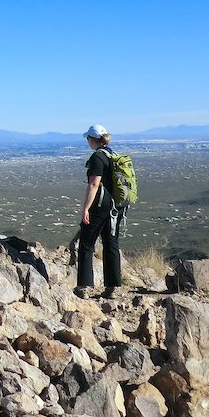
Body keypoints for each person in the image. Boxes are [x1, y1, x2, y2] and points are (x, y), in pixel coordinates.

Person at [76, 124, 122, 299]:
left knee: (87, 244)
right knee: (111, 244)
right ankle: (113, 287)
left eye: (88, 138)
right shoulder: (113, 155)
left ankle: (84, 287)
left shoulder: (97, 158)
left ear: (92, 139)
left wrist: (86, 208)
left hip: (100, 205)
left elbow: (94, 184)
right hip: (115, 206)